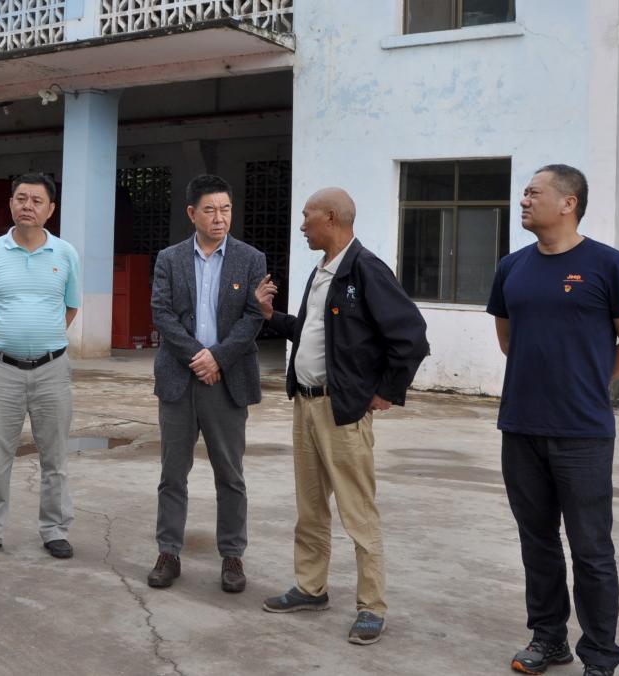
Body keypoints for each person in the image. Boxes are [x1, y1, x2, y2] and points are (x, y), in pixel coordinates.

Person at [487, 165, 619, 676]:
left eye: (533, 193)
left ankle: (600, 657)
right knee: (537, 542)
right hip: (521, 426)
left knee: (591, 549)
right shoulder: (512, 267)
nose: (523, 200)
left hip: (582, 433)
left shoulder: (609, 265)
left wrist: (589, 383)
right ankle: (549, 638)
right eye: (524, 193)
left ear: (568, 202)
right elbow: (508, 340)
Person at [255, 187, 428, 644]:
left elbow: (411, 336)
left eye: (307, 216)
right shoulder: (322, 271)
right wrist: (271, 316)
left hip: (342, 410)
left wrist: (386, 391)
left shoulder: (365, 269)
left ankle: (371, 606)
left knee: (357, 511)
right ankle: (311, 588)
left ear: (330, 217)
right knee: (310, 507)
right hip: (306, 405)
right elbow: (315, 333)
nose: (302, 225)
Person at [147, 174, 266, 593]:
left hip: (227, 380)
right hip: (180, 379)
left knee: (230, 474)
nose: (220, 218)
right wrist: (199, 356)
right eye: (211, 210)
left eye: (226, 209)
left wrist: (218, 357)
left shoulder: (251, 259)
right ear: (192, 213)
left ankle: (232, 556)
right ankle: (168, 552)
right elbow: (161, 312)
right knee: (172, 473)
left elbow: (254, 316)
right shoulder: (169, 258)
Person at [0, 173, 81, 561]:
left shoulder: (65, 254)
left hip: (52, 370)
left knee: (55, 458)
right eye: (21, 198)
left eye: (36, 200)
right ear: (11, 203)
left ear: (51, 209)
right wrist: (12, 334)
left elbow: (71, 307)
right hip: (2, 371)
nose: (27, 206)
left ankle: (55, 530)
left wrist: (42, 337)